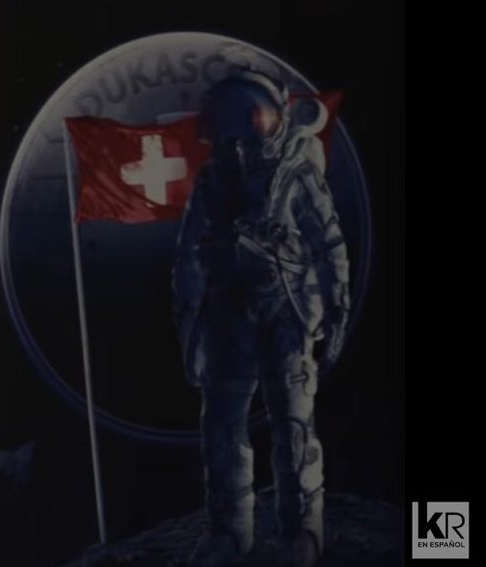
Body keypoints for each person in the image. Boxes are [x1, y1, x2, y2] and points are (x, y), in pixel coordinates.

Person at [171, 69, 350, 567]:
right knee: (222, 425)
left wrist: (335, 307)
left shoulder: (295, 174)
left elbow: (328, 243)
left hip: (284, 312)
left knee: (291, 421)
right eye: (226, 125)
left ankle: (301, 530)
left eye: (250, 120)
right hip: (229, 314)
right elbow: (188, 257)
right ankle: (230, 530)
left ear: (275, 119)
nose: (237, 141)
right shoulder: (212, 182)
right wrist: (190, 321)